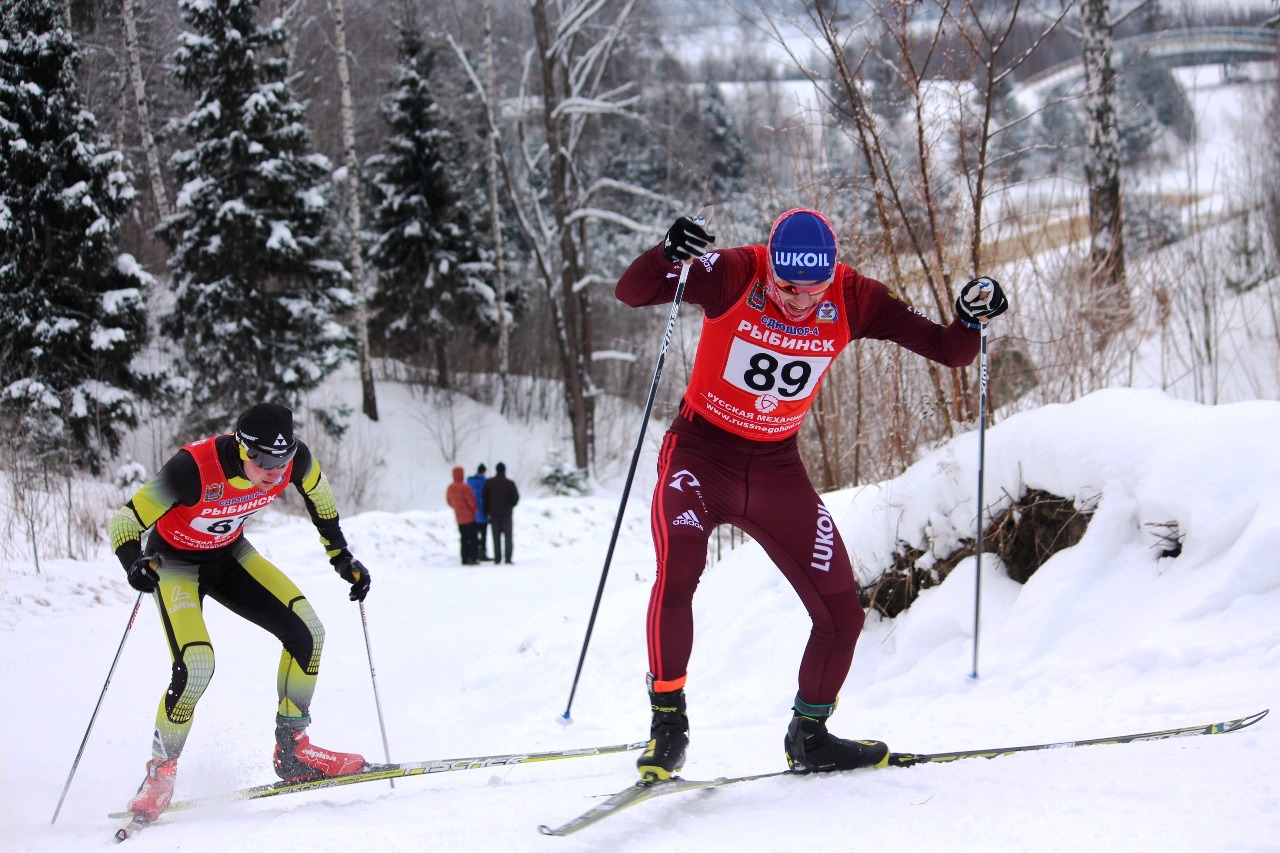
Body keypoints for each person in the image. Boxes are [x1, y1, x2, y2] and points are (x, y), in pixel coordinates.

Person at [615, 210, 1007, 781]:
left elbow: (950, 350)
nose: (799, 303)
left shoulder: (854, 297)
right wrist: (666, 254)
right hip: (701, 454)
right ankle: (668, 724)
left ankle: (811, 736)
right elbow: (633, 292)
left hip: (776, 470)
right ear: (769, 267)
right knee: (680, 566)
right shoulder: (733, 272)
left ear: (832, 275)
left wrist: (972, 319)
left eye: (812, 291)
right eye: (786, 288)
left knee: (841, 614)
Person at [109, 403, 373, 823]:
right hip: (175, 564)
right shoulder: (192, 469)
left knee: (309, 633)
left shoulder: (295, 461)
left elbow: (321, 501)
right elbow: (125, 520)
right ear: (240, 447)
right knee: (196, 666)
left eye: (281, 460)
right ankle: (159, 774)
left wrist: (342, 557)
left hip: (230, 556)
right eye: (263, 460)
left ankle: (292, 752)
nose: (273, 471)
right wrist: (133, 561)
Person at [481, 462, 520, 564]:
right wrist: (510, 505)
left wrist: (487, 511)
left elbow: (484, 498)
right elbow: (516, 498)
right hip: (507, 514)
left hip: (493, 515)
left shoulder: (489, 483)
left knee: (496, 538)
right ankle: (508, 558)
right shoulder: (510, 483)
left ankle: (497, 558)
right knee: (508, 538)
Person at [446, 465, 479, 565]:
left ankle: (464, 558)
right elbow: (471, 502)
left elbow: (449, 501)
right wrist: (474, 511)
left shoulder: (450, 488)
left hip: (459, 517)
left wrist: (457, 509)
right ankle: (473, 558)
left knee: (463, 539)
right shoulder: (465, 487)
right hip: (469, 517)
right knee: (473, 539)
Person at [466, 463, 492, 561]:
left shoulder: (469, 482)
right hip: (482, 513)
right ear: (484, 471)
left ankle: (474, 553)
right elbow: (485, 498)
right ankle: (483, 554)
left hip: (472, 514)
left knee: (474, 536)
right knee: (483, 535)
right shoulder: (484, 482)